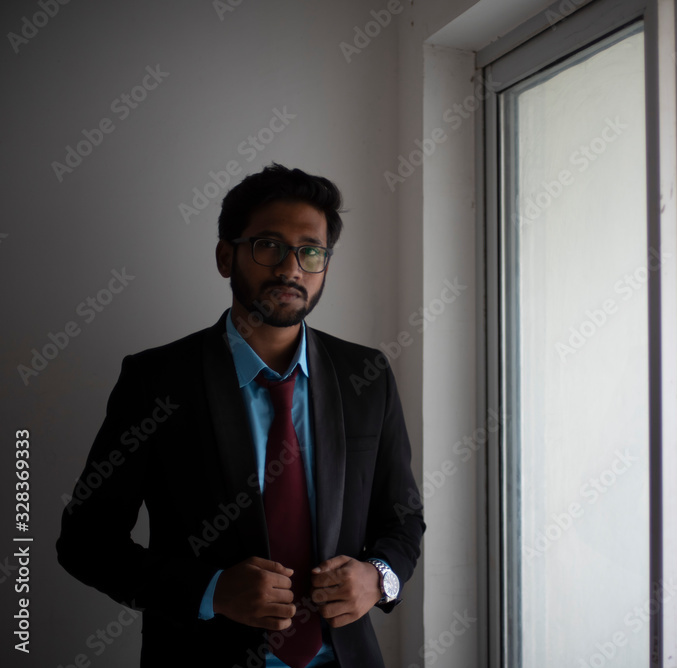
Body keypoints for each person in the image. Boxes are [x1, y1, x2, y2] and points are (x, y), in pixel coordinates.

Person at [56, 163, 425, 668]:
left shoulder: (367, 375)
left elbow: (403, 519)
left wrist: (378, 576)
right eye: (269, 245)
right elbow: (85, 542)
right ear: (225, 256)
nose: (291, 269)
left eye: (310, 251)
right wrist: (211, 591)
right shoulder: (156, 381)